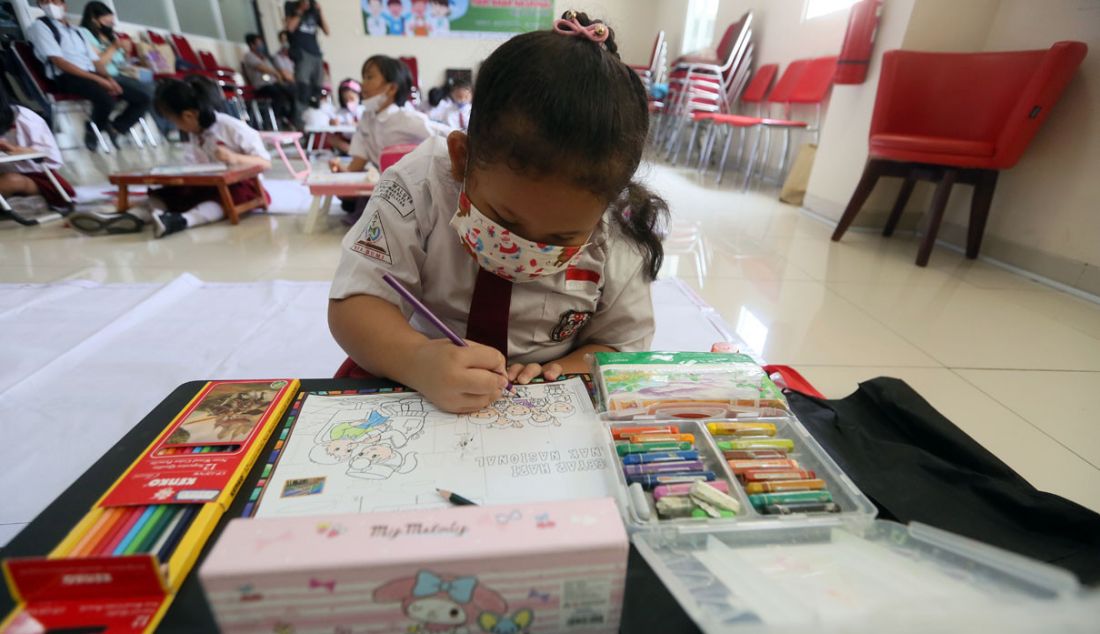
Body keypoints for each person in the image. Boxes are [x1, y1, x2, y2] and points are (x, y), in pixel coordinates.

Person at [327, 11, 668, 413]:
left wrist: (564, 370)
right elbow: (355, 301)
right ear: (461, 160)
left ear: (608, 205)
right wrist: (416, 359)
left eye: (560, 239)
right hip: (418, 370)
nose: (525, 249)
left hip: (541, 408)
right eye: (505, 221)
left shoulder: (616, 231)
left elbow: (622, 344)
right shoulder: (420, 184)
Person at [69, 76, 271, 238]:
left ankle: (183, 220)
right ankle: (133, 217)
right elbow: (192, 163)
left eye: (173, 120)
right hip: (207, 182)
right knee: (168, 192)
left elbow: (265, 163)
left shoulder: (232, 128)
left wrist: (236, 158)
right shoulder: (193, 132)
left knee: (229, 197)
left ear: (189, 116)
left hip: (241, 184)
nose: (174, 126)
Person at [28, 0, 150, 151]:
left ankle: (116, 128)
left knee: (142, 98)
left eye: (55, 1)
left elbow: (95, 61)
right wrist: (99, 80)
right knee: (106, 100)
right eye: (45, 1)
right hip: (65, 76)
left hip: (89, 74)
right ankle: (93, 131)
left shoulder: (76, 31)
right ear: (40, 5)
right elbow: (59, 61)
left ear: (64, 5)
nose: (51, 5)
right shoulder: (40, 27)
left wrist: (110, 80)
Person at [329, 55, 447, 175]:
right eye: (363, 78)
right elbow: (358, 162)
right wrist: (341, 168)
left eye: (369, 77)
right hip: (385, 186)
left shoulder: (406, 118)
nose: (363, 85)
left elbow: (449, 135)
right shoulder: (366, 118)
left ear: (391, 88)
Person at [0, 82, 75, 209]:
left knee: (10, 181)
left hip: (35, 176)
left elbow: (50, 155)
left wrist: (16, 150)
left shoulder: (24, 116)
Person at [284, 0, 328, 123]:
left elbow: (327, 31)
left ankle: (316, 121)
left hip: (316, 53)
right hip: (301, 53)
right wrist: (301, 10)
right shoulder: (291, 6)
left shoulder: (314, 7)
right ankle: (301, 123)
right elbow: (290, 28)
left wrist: (320, 12)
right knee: (303, 89)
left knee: (317, 90)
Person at [242, 33, 297, 129]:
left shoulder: (264, 57)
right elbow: (262, 68)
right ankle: (271, 121)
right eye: (258, 43)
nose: (261, 45)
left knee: (293, 92)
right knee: (279, 95)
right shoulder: (249, 56)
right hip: (261, 87)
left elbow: (275, 74)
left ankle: (289, 119)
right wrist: (276, 73)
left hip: (273, 84)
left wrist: (280, 80)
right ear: (252, 45)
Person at [329, 79, 363, 154]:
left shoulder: (363, 110)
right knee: (331, 139)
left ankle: (358, 153)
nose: (348, 102)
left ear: (359, 96)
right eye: (345, 99)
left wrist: (357, 124)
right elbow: (336, 119)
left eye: (351, 98)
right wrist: (334, 122)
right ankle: (352, 151)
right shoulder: (342, 111)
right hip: (346, 140)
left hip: (361, 140)